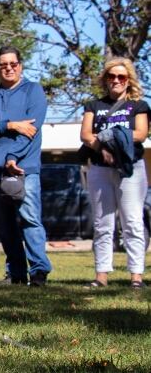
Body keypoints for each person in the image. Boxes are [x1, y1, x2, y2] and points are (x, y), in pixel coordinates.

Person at [0, 46, 52, 286]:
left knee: (29, 219)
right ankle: (16, 274)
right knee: (6, 225)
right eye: (3, 65)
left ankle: (39, 271)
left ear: (20, 65)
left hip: (24, 168)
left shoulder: (33, 91)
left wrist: (12, 156)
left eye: (13, 63)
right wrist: (10, 124)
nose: (8, 68)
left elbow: (31, 129)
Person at [80, 58, 148, 289]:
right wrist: (102, 148)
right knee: (102, 223)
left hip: (130, 169)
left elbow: (140, 133)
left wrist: (112, 140)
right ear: (105, 79)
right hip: (99, 169)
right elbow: (86, 135)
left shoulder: (138, 106)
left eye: (121, 77)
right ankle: (101, 275)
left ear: (129, 80)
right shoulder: (93, 106)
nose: (116, 81)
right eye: (111, 76)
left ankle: (136, 276)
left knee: (132, 221)